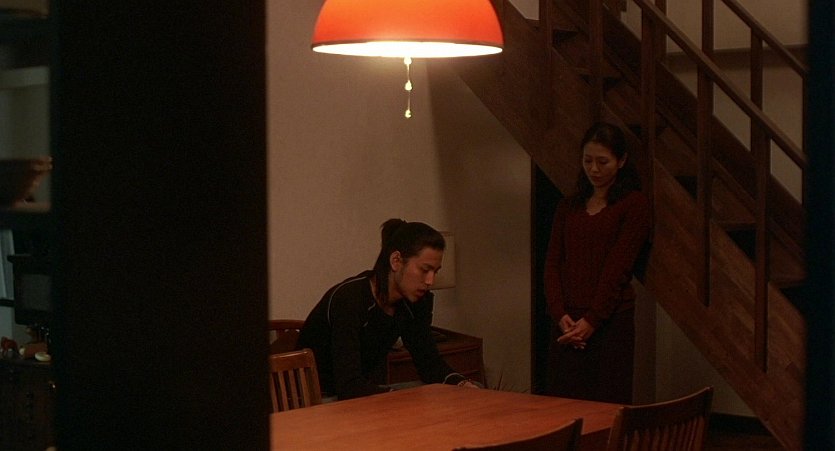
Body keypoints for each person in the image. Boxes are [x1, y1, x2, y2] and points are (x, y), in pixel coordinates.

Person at [295, 218, 479, 400]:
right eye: (425, 270)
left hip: (358, 391)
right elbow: (348, 385)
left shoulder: (416, 301)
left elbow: (428, 362)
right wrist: (399, 399)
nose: (430, 281)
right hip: (316, 397)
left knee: (467, 391)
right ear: (396, 260)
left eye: (435, 272)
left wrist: (461, 383)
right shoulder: (350, 299)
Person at [543, 122, 652, 404]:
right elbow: (553, 263)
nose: (594, 169)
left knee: (606, 403)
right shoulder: (568, 206)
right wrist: (559, 314)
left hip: (611, 320)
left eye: (602, 162)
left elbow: (618, 268)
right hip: (567, 321)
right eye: (587, 161)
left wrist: (592, 320)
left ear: (621, 161)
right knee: (561, 403)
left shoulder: (633, 205)